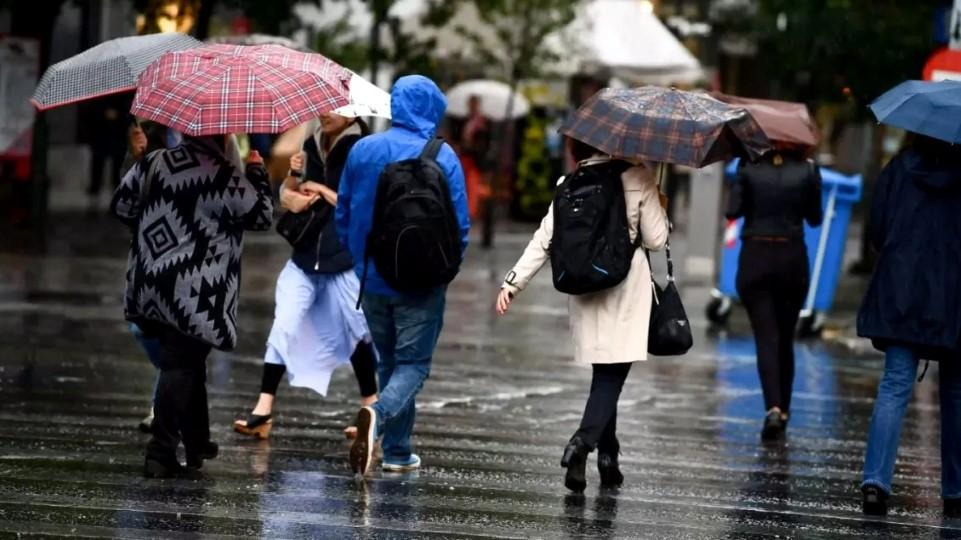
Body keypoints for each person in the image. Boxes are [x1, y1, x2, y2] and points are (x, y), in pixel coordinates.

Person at [495, 138, 669, 493]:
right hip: (624, 286)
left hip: (583, 285)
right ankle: (582, 443)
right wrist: (660, 206)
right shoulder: (637, 176)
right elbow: (656, 239)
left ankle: (608, 456)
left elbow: (544, 240)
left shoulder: (569, 182)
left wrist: (513, 282)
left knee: (604, 368)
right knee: (612, 373)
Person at [111, 133, 273, 478]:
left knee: (188, 361)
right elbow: (261, 216)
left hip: (150, 281)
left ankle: (198, 441)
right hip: (196, 290)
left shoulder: (153, 162)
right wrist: (257, 172)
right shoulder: (224, 175)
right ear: (221, 137)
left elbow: (122, 207)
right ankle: (160, 453)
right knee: (180, 365)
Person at [337, 75, 470, 475]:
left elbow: (343, 212)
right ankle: (377, 416)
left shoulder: (363, 150)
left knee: (390, 363)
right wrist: (444, 270)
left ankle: (398, 452)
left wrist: (359, 260)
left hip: (373, 277)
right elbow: (460, 225)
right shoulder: (443, 156)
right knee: (413, 364)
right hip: (423, 282)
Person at [234, 113, 378, 440]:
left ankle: (372, 407)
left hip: (343, 257)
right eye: (324, 108)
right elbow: (288, 193)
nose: (325, 114)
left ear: (352, 113)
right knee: (283, 324)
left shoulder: (362, 149)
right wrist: (293, 179)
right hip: (305, 254)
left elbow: (363, 206)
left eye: (334, 109)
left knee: (356, 330)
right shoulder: (311, 142)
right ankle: (263, 409)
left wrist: (323, 190)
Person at [857, 133, 961, 518]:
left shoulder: (899, 169)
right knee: (956, 393)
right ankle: (955, 490)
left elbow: (877, 230)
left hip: (901, 291)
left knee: (895, 385)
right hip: (953, 297)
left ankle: (875, 482)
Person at [725, 145, 822, 441]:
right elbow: (815, 217)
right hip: (792, 258)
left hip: (756, 256)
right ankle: (784, 410)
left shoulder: (748, 167)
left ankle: (773, 408)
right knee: (784, 338)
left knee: (766, 337)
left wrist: (742, 173)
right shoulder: (808, 169)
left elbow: (732, 210)